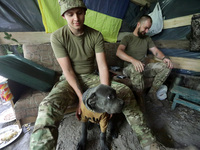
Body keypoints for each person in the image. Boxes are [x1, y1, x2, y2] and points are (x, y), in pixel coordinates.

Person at [30, 1, 160, 150]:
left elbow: (102, 66)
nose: (76, 18)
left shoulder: (96, 35)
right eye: (70, 14)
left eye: (79, 13)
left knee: (126, 92)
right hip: (69, 80)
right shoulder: (58, 37)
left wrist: (105, 98)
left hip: (92, 77)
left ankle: (151, 144)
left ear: (85, 13)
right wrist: (82, 99)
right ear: (63, 16)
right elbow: (68, 71)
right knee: (47, 107)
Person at [116, 15, 173, 109]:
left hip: (143, 67)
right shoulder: (128, 38)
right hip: (128, 69)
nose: (146, 31)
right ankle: (139, 99)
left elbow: (155, 51)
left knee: (166, 66)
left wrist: (164, 58)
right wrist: (133, 60)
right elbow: (118, 52)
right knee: (136, 67)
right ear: (138, 24)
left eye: (148, 29)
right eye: (145, 28)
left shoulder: (147, 39)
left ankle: (152, 93)